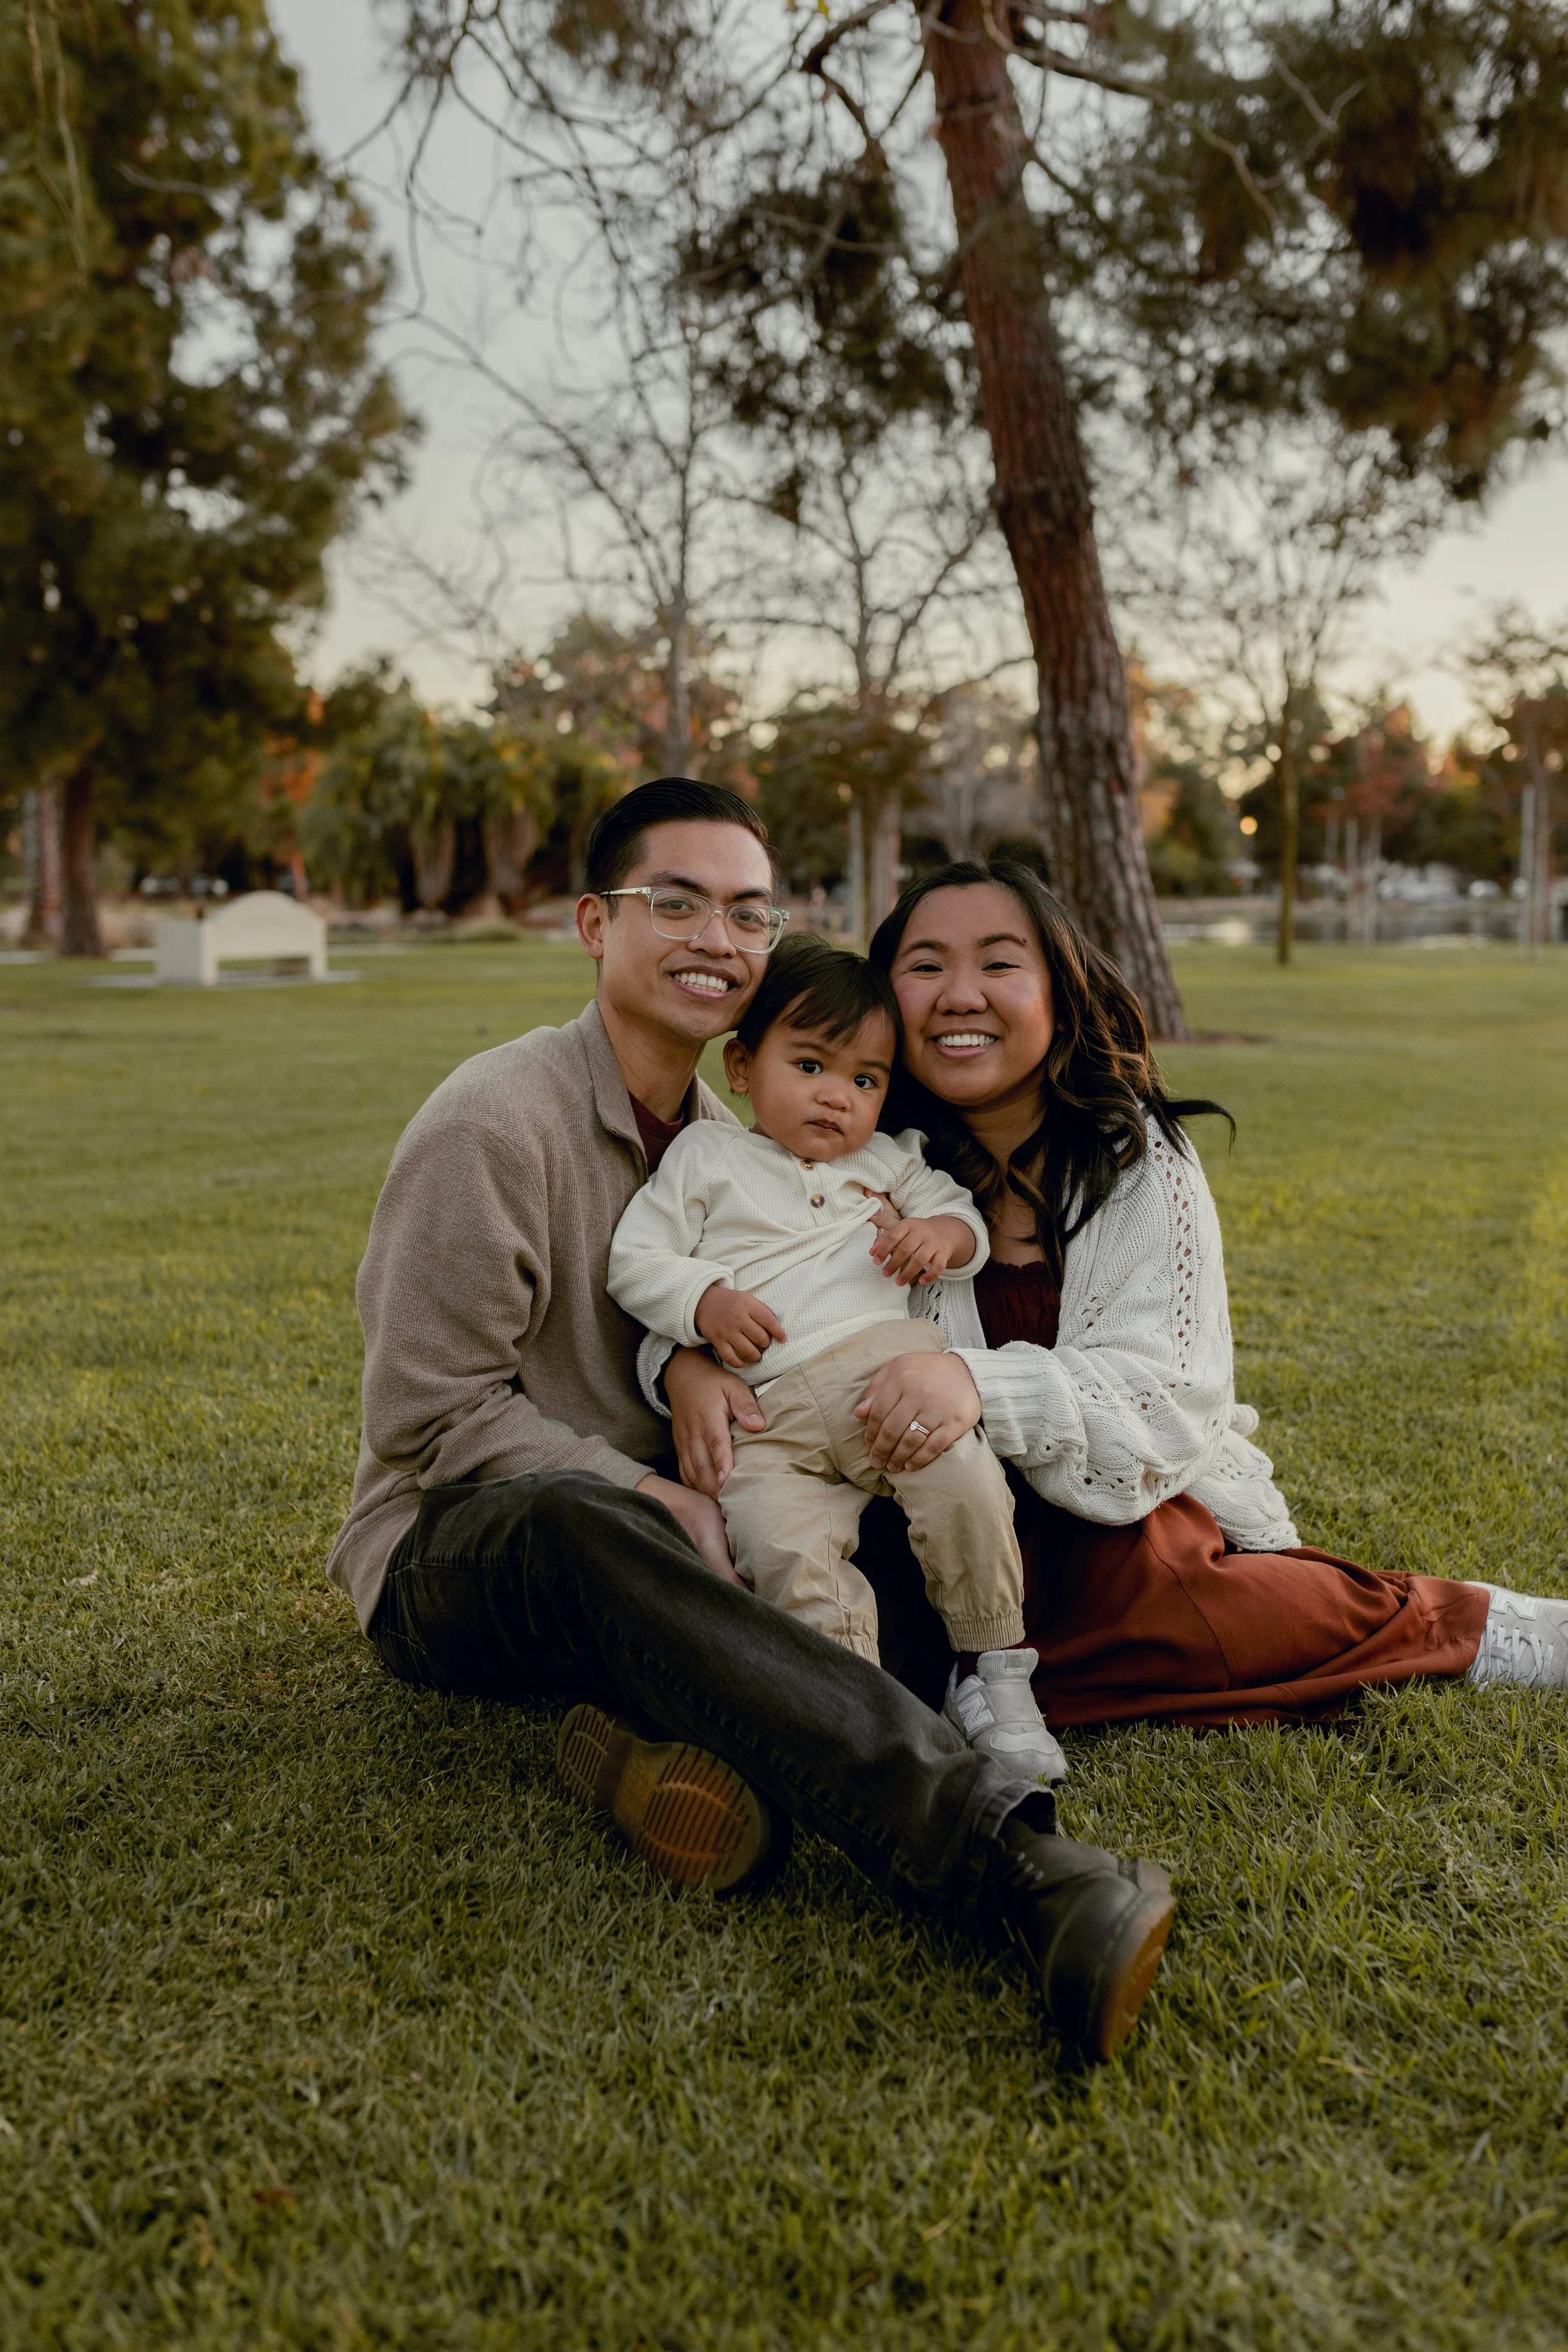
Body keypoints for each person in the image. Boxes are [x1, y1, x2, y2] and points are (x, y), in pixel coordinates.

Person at [327, 784, 1176, 2064]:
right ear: (590, 926)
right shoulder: (494, 1123)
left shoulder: (737, 1136)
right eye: (673, 902)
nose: (715, 937)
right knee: (589, 1522)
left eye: (746, 912)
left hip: (695, 1512)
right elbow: (422, 1419)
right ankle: (1016, 1875)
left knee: (879, 1528)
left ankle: (660, 1754)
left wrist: (682, 1370)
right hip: (468, 1545)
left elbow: (744, 1310)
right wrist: (642, 1487)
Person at [664, 853, 1568, 1732]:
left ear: (1057, 996)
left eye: (1000, 964)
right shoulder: (856, 1149)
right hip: (932, 1517)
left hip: (1119, 1518)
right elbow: (728, 1267)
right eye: (925, 966)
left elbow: (1169, 1391)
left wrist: (979, 1386)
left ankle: (1471, 1623)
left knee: (1175, 1604)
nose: (960, 994)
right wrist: (682, 1363)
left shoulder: (1132, 1158)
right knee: (839, 1607)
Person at [607, 933, 1067, 1785]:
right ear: (742, 1066)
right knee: (780, 1547)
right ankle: (865, 1715)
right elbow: (638, 1259)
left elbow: (961, 1219)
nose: (837, 1098)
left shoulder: (890, 1162)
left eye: (865, 1080)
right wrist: (704, 1302)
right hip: (762, 1418)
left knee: (964, 1483)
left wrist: (938, 1234)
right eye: (811, 1065)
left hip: (882, 1380)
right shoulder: (706, 1157)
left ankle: (997, 1673)